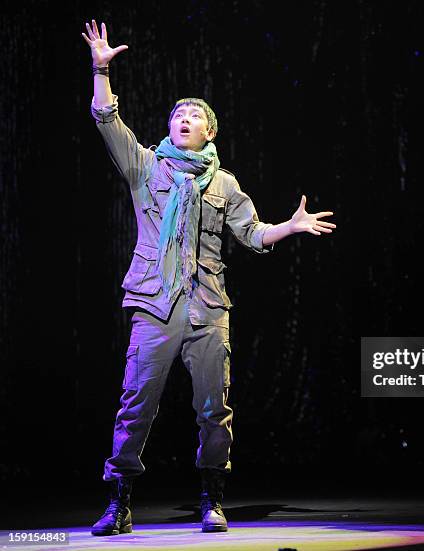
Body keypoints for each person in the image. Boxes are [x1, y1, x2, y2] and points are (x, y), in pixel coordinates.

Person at [81, 20, 336, 536]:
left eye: (194, 115)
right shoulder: (146, 167)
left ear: (209, 132)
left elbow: (251, 233)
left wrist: (289, 226)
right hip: (155, 303)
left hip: (207, 307)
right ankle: (119, 502)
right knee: (137, 403)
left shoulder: (225, 182)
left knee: (213, 409)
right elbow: (107, 119)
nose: (183, 119)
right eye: (177, 114)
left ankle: (211, 499)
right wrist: (101, 68)